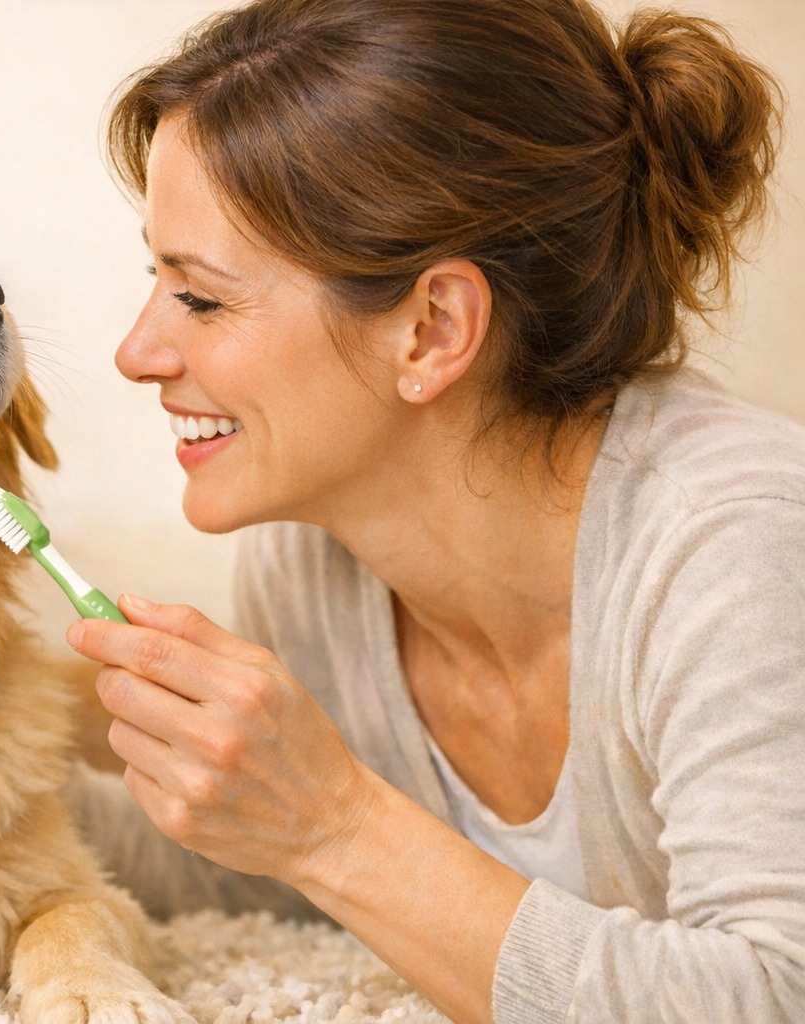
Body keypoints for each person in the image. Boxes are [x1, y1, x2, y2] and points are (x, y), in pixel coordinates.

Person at [58, 1, 805, 1022]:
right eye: (157, 280)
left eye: (200, 297)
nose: (137, 352)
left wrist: (335, 823)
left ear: (431, 329)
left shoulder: (738, 545)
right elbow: (278, 888)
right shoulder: (311, 555)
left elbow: (777, 992)